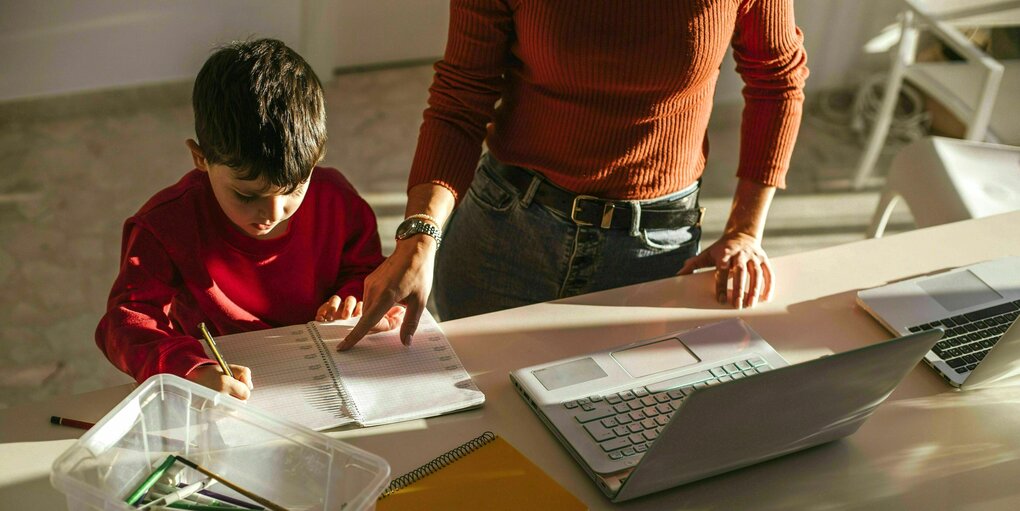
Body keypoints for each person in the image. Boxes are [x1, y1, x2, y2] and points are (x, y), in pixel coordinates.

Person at [340, 0, 808, 350]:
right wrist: (421, 236)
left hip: (652, 251)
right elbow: (462, 95)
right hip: (505, 235)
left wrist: (746, 231)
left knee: (621, 433)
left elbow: (777, 78)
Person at [96, 38, 403, 399]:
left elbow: (364, 270)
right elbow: (125, 323)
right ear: (200, 158)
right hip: (228, 385)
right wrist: (190, 368)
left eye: (293, 188)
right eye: (246, 194)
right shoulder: (165, 226)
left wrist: (352, 299)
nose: (273, 213)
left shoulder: (335, 197)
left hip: (327, 372)